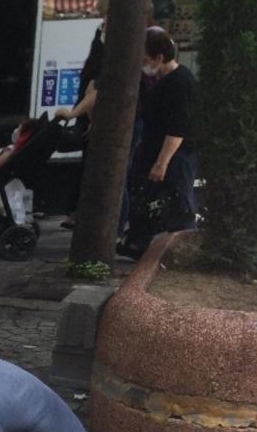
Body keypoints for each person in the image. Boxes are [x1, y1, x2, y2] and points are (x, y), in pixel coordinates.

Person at [121, 28, 199, 259]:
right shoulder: (170, 81)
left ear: (159, 58)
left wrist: (162, 162)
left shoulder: (177, 85)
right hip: (162, 152)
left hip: (174, 156)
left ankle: (181, 249)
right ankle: (140, 242)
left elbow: (178, 128)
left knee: (176, 204)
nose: (144, 65)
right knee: (156, 200)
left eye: (146, 59)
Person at [54, 25, 104, 229]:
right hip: (90, 125)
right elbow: (93, 93)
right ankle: (79, 211)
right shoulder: (101, 70)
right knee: (91, 170)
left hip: (85, 122)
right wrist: (92, 121)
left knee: (85, 169)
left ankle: (74, 211)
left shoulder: (91, 66)